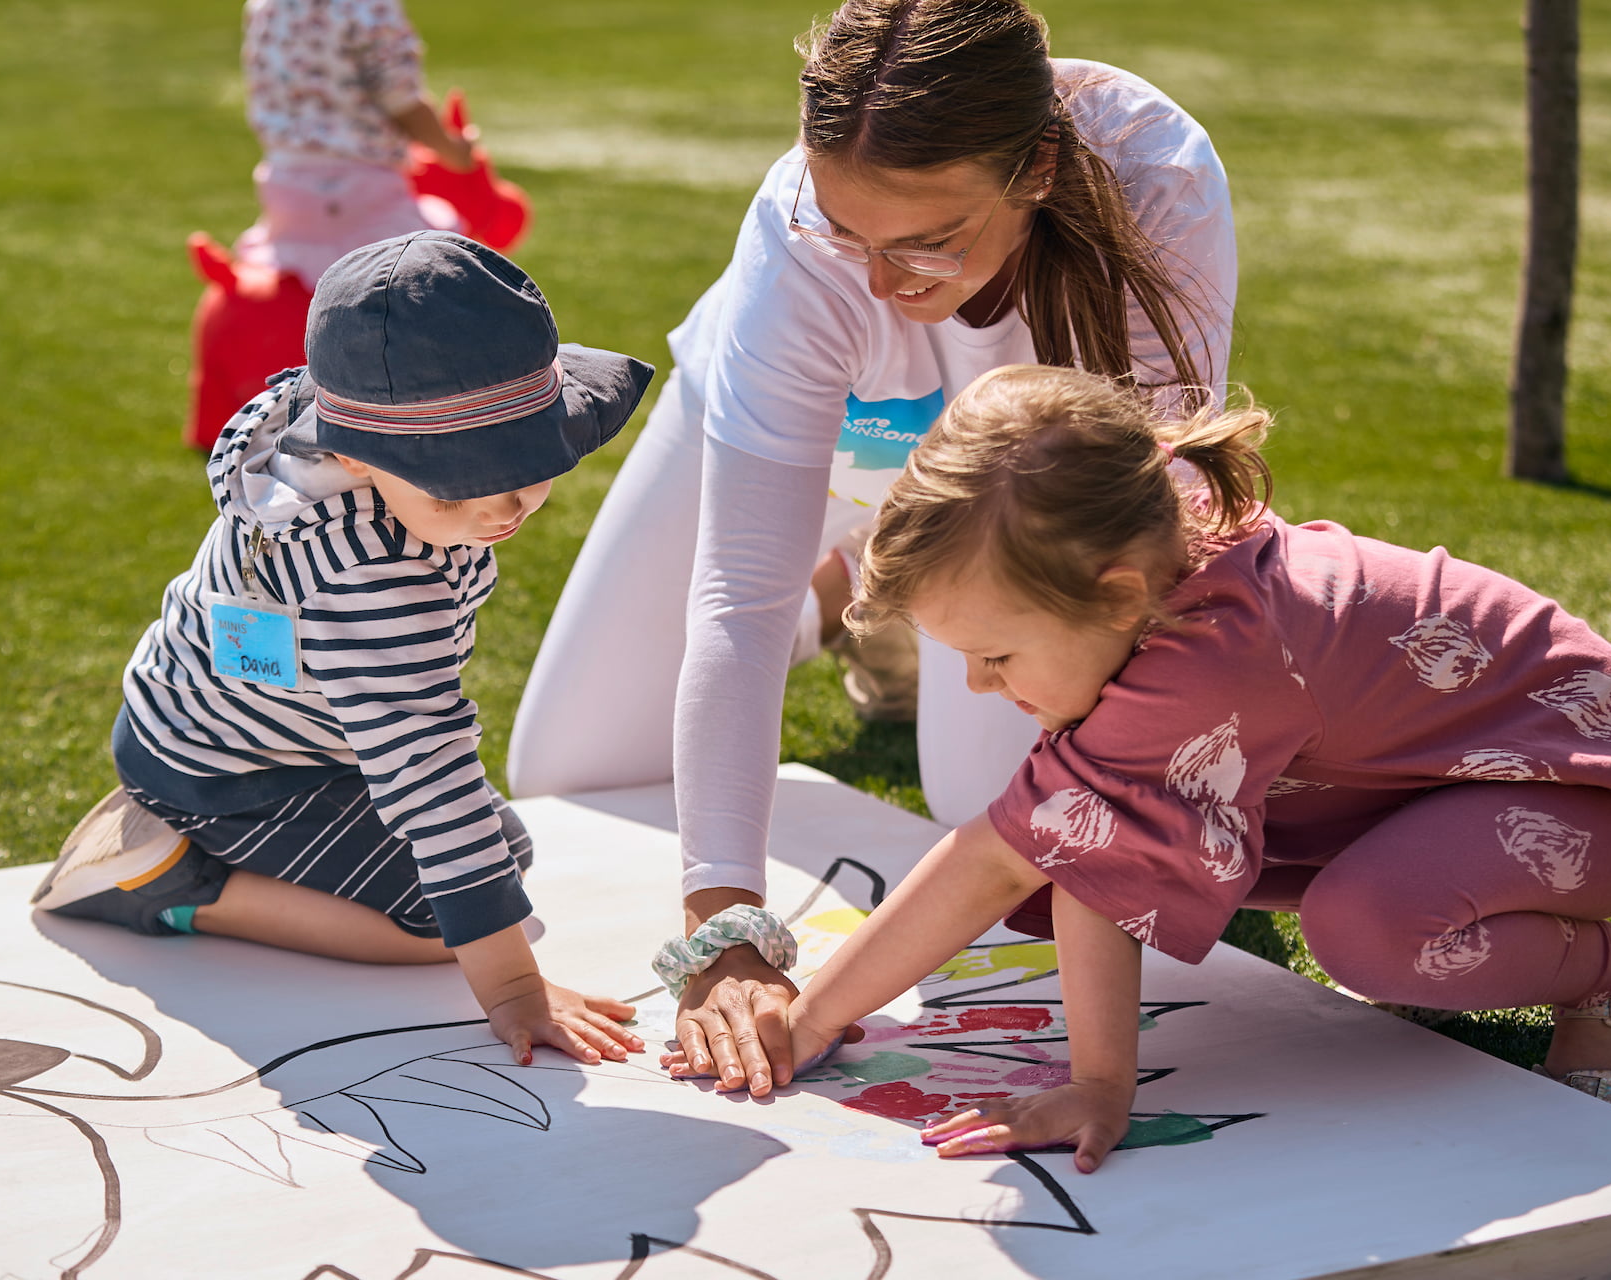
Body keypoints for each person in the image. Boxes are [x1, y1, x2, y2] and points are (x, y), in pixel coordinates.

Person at [508, 0, 1237, 1095]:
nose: (884, 285)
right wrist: (724, 921)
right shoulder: (796, 241)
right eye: (849, 233)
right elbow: (739, 597)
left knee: (984, 815)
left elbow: (1145, 521)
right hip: (841, 425)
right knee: (564, 771)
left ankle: (887, 588)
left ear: (1036, 167)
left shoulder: (1160, 180)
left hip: (1016, 480)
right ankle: (858, 592)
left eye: (929, 243)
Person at [668, 363, 1611, 1164]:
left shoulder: (1216, 656)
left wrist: (815, 1019)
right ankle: (1449, 904)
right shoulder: (1135, 568)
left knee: (1364, 930)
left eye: (996, 654)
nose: (975, 684)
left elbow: (998, 859)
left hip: (1587, 797)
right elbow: (1090, 856)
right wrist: (827, 1020)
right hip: (1429, 792)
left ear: (1117, 588)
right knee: (1129, 836)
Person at [35, 231, 656, 1068]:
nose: (510, 500)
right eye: (466, 476)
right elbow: (426, 773)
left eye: (532, 460)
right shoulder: (373, 578)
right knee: (443, 914)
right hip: (229, 770)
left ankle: (190, 842)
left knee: (502, 858)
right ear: (361, 455)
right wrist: (515, 988)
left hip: (240, 726)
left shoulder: (307, 434)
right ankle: (173, 882)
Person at [236, 0, 477, 289]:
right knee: (433, 265)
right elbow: (402, 101)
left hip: (284, 184)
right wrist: (454, 150)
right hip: (363, 188)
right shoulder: (370, 8)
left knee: (302, 294)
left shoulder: (266, 6)